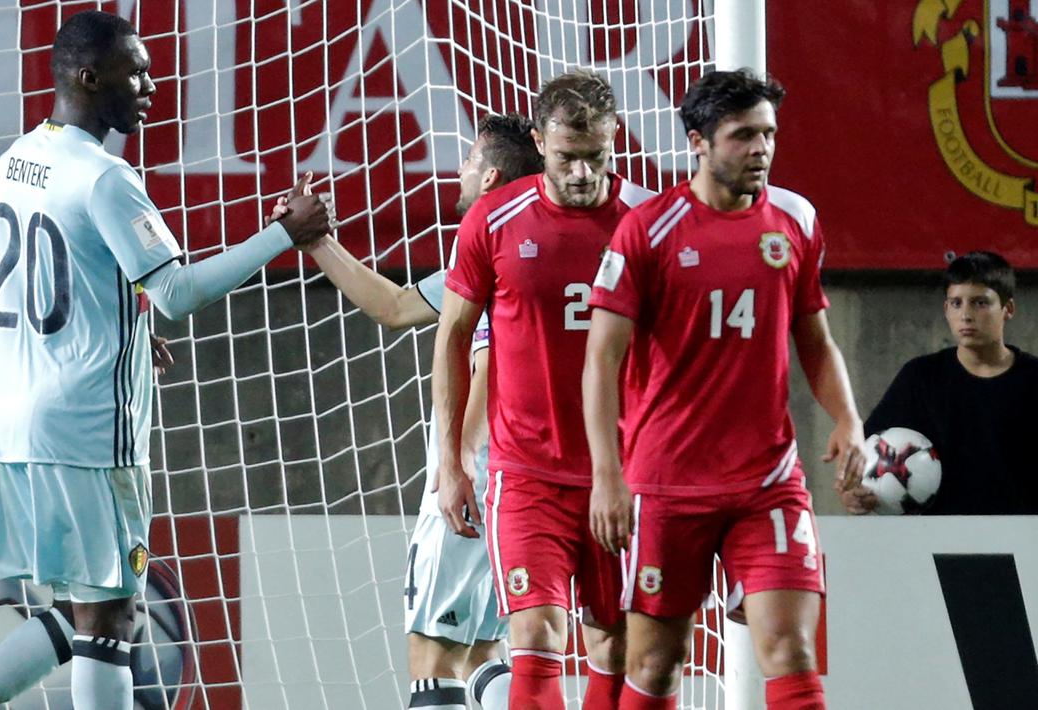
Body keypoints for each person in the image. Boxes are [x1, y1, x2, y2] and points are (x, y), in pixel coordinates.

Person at [0, 11, 332, 710]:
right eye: (138, 69)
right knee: (115, 621)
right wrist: (284, 232)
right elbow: (177, 292)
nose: (153, 83)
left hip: (22, 424)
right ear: (89, 77)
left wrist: (108, 318)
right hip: (92, 427)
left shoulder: (16, 159)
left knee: (81, 613)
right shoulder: (103, 177)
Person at [582, 69, 866, 710]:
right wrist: (608, 474)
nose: (762, 148)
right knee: (654, 665)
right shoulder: (648, 231)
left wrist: (848, 418)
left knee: (791, 653)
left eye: (768, 134)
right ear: (698, 142)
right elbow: (602, 360)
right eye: (743, 135)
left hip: (767, 480)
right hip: (666, 484)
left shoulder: (795, 219)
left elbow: (815, 339)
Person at [288, 113, 543, 710]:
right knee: (482, 654)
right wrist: (318, 242)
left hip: (480, 468)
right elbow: (399, 305)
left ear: (492, 177)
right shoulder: (522, 241)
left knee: (432, 660)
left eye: (472, 159)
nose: (461, 168)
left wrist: (461, 462)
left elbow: (495, 364)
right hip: (526, 476)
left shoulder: (495, 239)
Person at [433, 70, 655, 710]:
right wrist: (451, 462)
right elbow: (452, 338)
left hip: (624, 474)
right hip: (525, 473)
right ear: (538, 140)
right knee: (535, 634)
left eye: (597, 157)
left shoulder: (648, 223)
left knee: (615, 646)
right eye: (566, 158)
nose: (583, 174)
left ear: (615, 141)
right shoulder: (492, 219)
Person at [841, 250, 1038, 515]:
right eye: (956, 303)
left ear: (1008, 309)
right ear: (946, 310)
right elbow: (869, 453)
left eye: (980, 303)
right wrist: (855, 491)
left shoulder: (1032, 378)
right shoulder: (921, 377)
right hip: (939, 539)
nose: (966, 315)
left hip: (1025, 539)